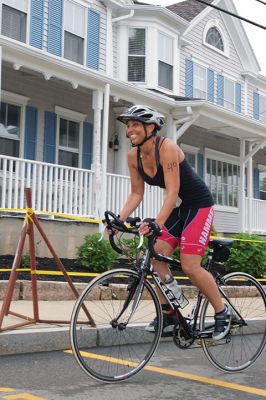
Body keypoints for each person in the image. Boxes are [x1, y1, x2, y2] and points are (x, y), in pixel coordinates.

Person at [116, 104, 231, 340]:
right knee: (156, 254)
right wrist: (117, 221)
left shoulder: (167, 147)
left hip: (199, 205)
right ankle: (170, 311)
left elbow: (172, 190)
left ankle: (222, 311)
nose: (130, 130)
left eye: (135, 125)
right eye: (128, 126)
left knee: (190, 265)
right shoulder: (133, 156)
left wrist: (157, 223)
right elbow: (136, 194)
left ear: (150, 127)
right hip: (181, 208)